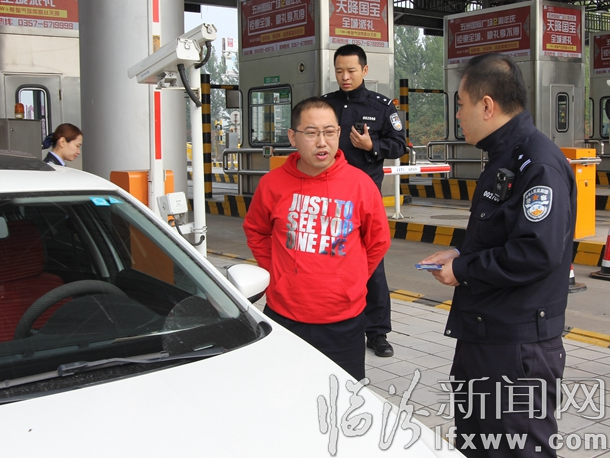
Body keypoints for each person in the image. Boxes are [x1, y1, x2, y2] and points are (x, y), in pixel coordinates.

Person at [419, 53, 576, 458]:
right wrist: (460, 253)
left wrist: (463, 269)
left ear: (486, 105)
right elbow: (506, 234)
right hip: (486, 336)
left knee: (516, 449)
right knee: (478, 445)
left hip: (516, 348)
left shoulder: (538, 164)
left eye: (460, 104)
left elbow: (535, 252)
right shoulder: (505, 157)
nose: (457, 115)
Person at [243, 97, 390, 380]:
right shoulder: (272, 184)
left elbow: (378, 241)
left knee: (342, 397)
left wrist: (352, 280)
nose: (322, 142)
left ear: (339, 133)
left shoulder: (361, 185)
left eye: (329, 132)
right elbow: (256, 231)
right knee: (284, 392)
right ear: (293, 137)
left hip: (344, 320)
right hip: (285, 315)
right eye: (311, 133)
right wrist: (277, 273)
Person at [322, 44, 407, 358]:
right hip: (329, 197)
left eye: (351, 70)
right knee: (327, 260)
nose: (345, 77)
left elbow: (399, 145)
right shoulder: (325, 105)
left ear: (365, 70)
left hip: (364, 199)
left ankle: (377, 332)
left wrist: (372, 145)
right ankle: (328, 320)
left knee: (372, 264)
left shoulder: (382, 106)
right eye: (339, 71)